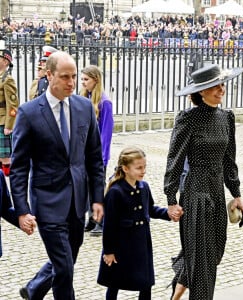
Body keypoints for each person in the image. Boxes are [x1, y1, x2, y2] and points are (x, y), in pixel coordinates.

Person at [10, 51, 105, 300]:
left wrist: (97, 198)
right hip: (47, 201)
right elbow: (19, 167)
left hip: (77, 201)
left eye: (74, 76)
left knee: (66, 262)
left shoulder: (84, 107)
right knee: (63, 268)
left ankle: (34, 290)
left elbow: (94, 157)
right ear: (49, 75)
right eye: (65, 77)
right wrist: (22, 210)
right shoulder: (29, 113)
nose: (71, 83)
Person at [164, 64, 243, 300]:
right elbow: (175, 160)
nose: (222, 89)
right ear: (202, 91)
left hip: (216, 190)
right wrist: (171, 199)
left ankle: (180, 280)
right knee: (203, 260)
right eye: (216, 86)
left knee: (214, 252)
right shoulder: (188, 119)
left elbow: (229, 160)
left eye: (222, 84)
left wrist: (237, 193)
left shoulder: (226, 117)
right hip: (195, 192)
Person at [97, 146, 181, 300]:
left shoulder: (144, 187)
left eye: (144, 167)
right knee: (114, 282)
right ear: (125, 168)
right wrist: (109, 251)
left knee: (145, 283)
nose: (143, 171)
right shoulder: (115, 192)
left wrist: (168, 214)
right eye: (139, 168)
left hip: (141, 244)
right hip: (121, 247)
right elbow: (109, 225)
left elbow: (150, 209)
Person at [80, 65, 114, 236]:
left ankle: (101, 222)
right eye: (82, 79)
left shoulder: (104, 103)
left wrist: (102, 157)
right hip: (83, 153)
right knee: (85, 188)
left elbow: (106, 134)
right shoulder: (82, 98)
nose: (83, 82)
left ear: (96, 80)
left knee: (98, 188)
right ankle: (91, 219)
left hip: (97, 155)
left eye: (86, 79)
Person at [0, 47, 19, 176]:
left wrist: (9, 125)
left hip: (2, 122)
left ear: (5, 61)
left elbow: (12, 105)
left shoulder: (7, 79)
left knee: (5, 156)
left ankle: (9, 179)